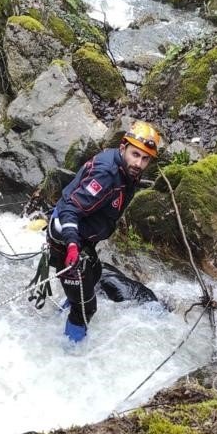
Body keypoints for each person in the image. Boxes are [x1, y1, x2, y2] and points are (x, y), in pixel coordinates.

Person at [47, 121, 161, 342]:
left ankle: (64, 312)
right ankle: (69, 354)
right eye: (135, 154)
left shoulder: (125, 171)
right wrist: (71, 245)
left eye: (145, 158)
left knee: (95, 275)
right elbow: (71, 209)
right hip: (67, 237)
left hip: (82, 237)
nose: (138, 163)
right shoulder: (106, 175)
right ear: (123, 148)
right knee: (86, 309)